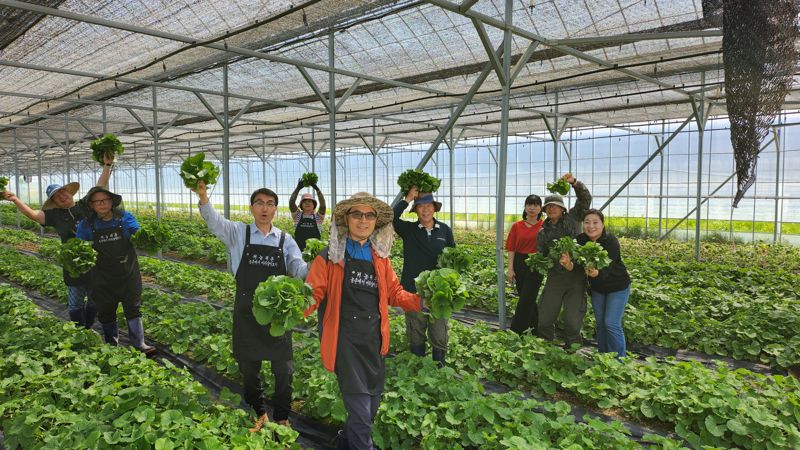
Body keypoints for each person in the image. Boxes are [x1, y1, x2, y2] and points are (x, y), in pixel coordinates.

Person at [305, 192, 422, 450]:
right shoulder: (329, 256)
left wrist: (422, 301)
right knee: (360, 415)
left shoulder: (380, 258)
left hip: (373, 341)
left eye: (369, 215)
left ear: (375, 222)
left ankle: (344, 443)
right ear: (346, 219)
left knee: (369, 410)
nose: (363, 220)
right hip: (345, 342)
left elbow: (394, 293)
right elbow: (313, 292)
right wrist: (295, 307)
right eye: (357, 214)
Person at [192, 180, 307, 432]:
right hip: (246, 311)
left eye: (270, 204)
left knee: (284, 369)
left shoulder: (285, 240)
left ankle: (282, 417)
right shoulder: (238, 233)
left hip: (277, 315)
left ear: (275, 209)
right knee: (249, 368)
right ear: (252, 207)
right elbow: (214, 221)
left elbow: (297, 267)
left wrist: (315, 269)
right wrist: (203, 196)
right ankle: (258, 412)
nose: (265, 208)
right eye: (259, 203)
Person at [2, 154, 114, 328]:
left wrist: (107, 165)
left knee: (95, 299)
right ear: (54, 202)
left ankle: (88, 327)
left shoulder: (85, 205)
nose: (62, 196)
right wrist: (15, 199)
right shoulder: (54, 216)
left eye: (63, 192)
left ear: (69, 192)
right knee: (76, 301)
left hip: (95, 261)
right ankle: (78, 330)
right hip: (73, 265)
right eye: (56, 196)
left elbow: (100, 185)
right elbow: (32, 214)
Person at [75, 186, 155, 356]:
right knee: (106, 310)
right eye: (97, 201)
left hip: (128, 273)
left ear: (111, 202)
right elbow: (79, 247)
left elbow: (137, 232)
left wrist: (143, 237)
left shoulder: (125, 218)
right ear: (91, 206)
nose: (102, 204)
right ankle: (112, 345)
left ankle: (139, 343)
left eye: (105, 200)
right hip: (101, 276)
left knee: (133, 307)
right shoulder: (86, 225)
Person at [393, 186, 455, 366]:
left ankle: (439, 367)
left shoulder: (444, 230)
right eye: (420, 206)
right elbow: (390, 217)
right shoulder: (408, 230)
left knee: (439, 331)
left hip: (438, 293)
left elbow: (453, 257)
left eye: (429, 205)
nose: (425, 209)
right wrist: (407, 198)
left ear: (434, 208)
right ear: (415, 209)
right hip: (414, 290)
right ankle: (418, 366)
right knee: (416, 330)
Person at [536, 173, 592, 348]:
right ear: (545, 211)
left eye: (556, 206)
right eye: (549, 207)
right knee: (545, 317)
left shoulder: (574, 218)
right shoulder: (543, 232)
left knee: (572, 321)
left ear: (563, 209)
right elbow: (542, 255)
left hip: (576, 277)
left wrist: (574, 183)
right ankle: (545, 349)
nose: (552, 209)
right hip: (555, 278)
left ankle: (572, 354)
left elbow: (585, 199)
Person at [576, 209, 631, 358]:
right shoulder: (580, 240)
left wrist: (597, 273)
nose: (591, 226)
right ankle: (604, 357)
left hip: (617, 286)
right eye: (587, 222)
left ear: (602, 224)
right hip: (597, 288)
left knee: (611, 323)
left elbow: (607, 268)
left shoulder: (610, 241)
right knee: (600, 324)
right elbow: (575, 261)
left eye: (595, 222)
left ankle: (619, 361)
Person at [505, 194, 545, 335]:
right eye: (529, 204)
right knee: (526, 297)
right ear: (525, 207)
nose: (532, 208)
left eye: (535, 205)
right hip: (520, 263)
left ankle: (516, 332)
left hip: (536, 264)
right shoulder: (517, 226)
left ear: (541, 208)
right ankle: (535, 329)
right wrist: (510, 269)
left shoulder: (545, 226)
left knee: (527, 298)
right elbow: (511, 248)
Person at [288, 178, 326, 251]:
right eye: (304, 202)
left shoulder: (318, 217)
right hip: (298, 251)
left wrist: (317, 190)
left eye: (310, 201)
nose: (307, 203)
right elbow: (291, 203)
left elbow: (323, 205)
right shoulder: (297, 216)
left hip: (314, 252)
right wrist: (297, 189)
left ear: (314, 205)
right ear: (301, 205)